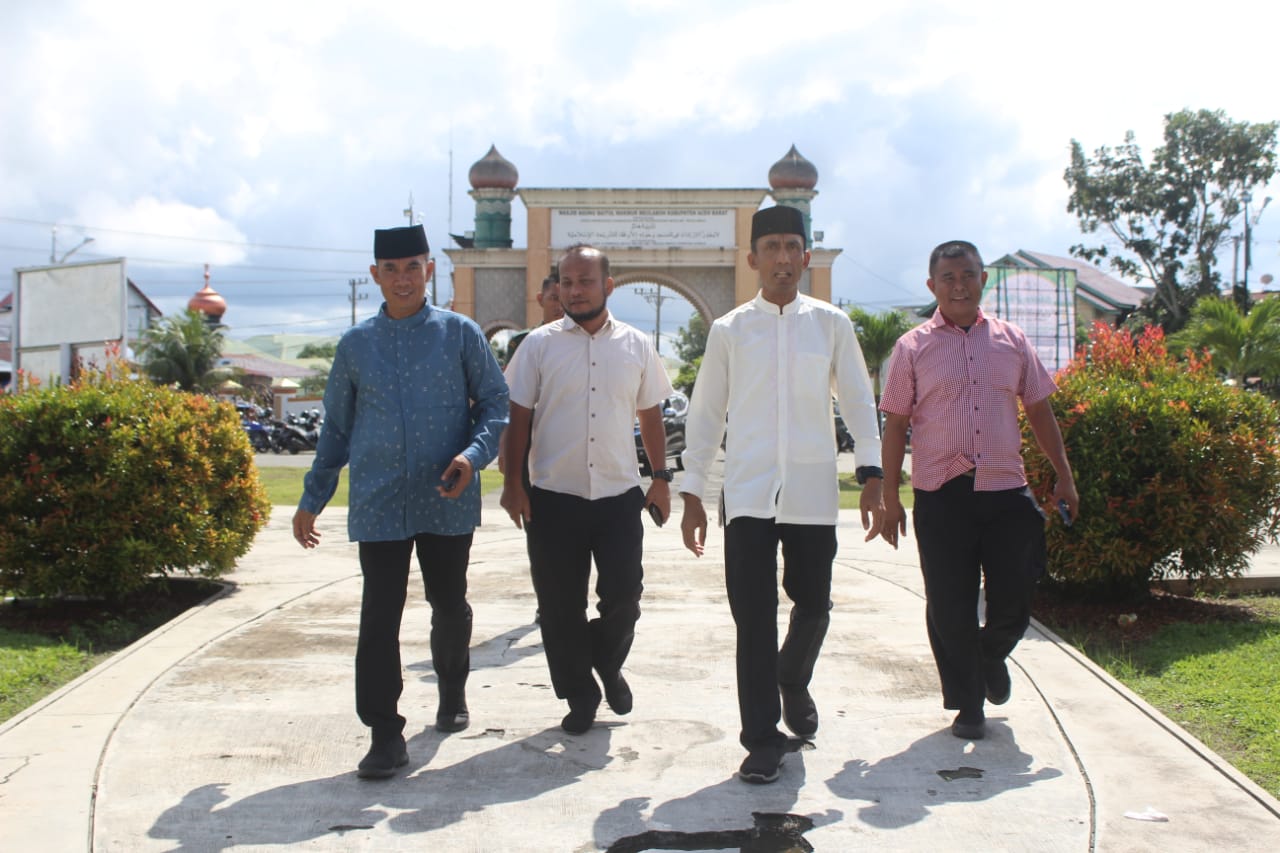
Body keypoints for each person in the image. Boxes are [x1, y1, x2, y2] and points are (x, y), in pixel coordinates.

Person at [679, 205, 886, 785]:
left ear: (807, 256)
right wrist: (692, 491)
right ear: (752, 260)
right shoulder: (729, 330)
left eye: (792, 246)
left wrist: (872, 473)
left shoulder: (831, 324)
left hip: (813, 489)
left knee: (813, 605)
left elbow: (857, 400)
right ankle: (762, 738)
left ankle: (792, 677)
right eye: (770, 248)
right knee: (754, 618)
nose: (782, 258)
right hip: (745, 492)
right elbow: (704, 414)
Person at [292, 224, 508, 779]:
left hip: (447, 493)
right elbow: (336, 427)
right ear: (375, 276)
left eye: (413, 266)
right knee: (379, 615)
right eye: (391, 269)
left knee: (448, 603)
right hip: (380, 499)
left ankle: (452, 687)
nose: (403, 278)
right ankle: (384, 732)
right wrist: (314, 496)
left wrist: (472, 457)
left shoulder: (460, 335)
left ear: (429, 269)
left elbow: (494, 403)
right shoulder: (355, 346)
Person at [877, 239, 1078, 741]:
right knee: (949, 604)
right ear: (932, 286)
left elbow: (1038, 410)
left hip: (1005, 489)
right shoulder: (912, 347)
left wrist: (1065, 476)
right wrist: (889, 498)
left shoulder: (1012, 340)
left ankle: (990, 655)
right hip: (941, 495)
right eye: (948, 277)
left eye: (967, 274)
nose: (959, 285)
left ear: (983, 279)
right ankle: (969, 705)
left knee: (1014, 599)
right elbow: (896, 425)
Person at [501, 243, 674, 734]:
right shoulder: (537, 345)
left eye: (585, 282)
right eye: (566, 282)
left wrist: (660, 480)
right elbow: (519, 418)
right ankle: (579, 694)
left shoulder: (637, 344)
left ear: (608, 286)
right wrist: (514, 484)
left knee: (625, 598)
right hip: (553, 497)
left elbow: (650, 414)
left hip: (620, 496)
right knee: (559, 607)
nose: (574, 291)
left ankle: (605, 658)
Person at [499, 271, 564, 624]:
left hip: (566, 448)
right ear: (540, 300)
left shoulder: (585, 339)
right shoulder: (524, 342)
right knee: (537, 528)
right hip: (529, 446)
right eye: (553, 297)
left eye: (564, 296)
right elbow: (508, 401)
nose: (560, 304)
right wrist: (505, 451)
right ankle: (547, 599)